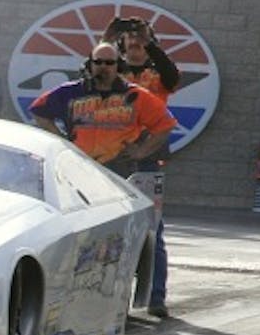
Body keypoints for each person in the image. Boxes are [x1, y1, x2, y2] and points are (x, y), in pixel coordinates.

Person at [28, 41, 177, 317]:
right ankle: (83, 296)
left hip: (125, 173)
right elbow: (38, 110)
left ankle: (156, 297)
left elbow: (166, 125)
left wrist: (143, 150)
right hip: (83, 174)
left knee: (150, 233)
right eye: (99, 62)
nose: (104, 68)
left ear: (118, 66)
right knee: (85, 236)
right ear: (90, 64)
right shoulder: (70, 93)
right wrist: (60, 141)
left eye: (109, 63)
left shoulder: (137, 95)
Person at [104, 16, 181, 318]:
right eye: (130, 40)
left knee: (152, 227)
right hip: (113, 156)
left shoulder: (158, 72)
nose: (135, 44)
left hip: (149, 157)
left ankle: (155, 296)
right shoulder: (114, 71)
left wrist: (151, 42)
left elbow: (173, 78)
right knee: (110, 227)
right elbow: (91, 69)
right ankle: (113, 298)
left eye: (141, 41)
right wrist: (109, 34)